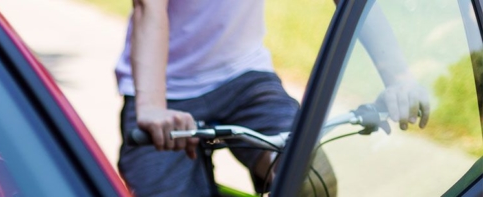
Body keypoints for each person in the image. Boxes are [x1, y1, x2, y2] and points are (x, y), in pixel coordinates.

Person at [117, 0, 430, 196]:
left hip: (243, 76)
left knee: (307, 180)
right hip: (162, 89)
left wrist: (399, 78)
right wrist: (152, 106)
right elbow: (149, 7)